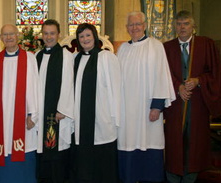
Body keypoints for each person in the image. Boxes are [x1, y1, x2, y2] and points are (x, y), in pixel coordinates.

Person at [117, 11, 176, 183]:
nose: (134, 28)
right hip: (127, 111)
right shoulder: (122, 49)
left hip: (148, 110)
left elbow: (161, 75)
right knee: (127, 141)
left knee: (150, 142)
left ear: (144, 25)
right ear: (127, 28)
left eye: (138, 24)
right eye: (131, 25)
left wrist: (157, 106)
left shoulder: (155, 46)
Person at [163, 10, 221, 183]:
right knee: (174, 143)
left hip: (197, 103)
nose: (182, 27)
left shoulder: (206, 45)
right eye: (179, 24)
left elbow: (215, 73)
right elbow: (162, 74)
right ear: (174, 26)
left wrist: (198, 80)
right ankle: (172, 177)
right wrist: (178, 86)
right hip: (175, 104)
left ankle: (190, 177)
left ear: (193, 26)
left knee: (194, 143)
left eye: (186, 23)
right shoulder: (167, 48)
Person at [0, 24, 39, 183]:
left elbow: (34, 86)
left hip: (22, 116)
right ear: (1, 38)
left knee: (24, 148)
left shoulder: (29, 57)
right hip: (1, 115)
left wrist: (33, 114)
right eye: (5, 35)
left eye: (11, 34)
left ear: (18, 36)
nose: (8, 37)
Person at [70, 23, 121, 183]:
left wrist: (115, 118)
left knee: (103, 167)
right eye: (81, 36)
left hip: (102, 119)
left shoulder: (107, 58)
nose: (85, 39)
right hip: (81, 120)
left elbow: (116, 89)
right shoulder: (75, 59)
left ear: (95, 37)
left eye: (88, 35)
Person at [35, 19, 74, 183]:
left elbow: (69, 83)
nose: (49, 37)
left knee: (57, 154)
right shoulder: (37, 55)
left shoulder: (66, 56)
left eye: (52, 33)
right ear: (41, 35)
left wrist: (63, 109)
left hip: (57, 114)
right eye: (46, 33)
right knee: (42, 153)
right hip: (40, 113)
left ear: (59, 34)